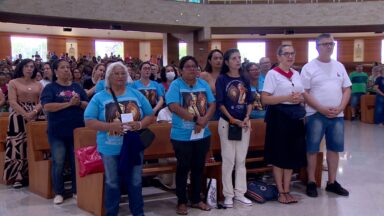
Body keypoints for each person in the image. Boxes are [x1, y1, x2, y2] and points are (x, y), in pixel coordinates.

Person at [84, 61, 154, 216]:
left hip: (133, 146)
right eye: (116, 73)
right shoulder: (99, 97)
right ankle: (112, 212)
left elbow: (150, 115)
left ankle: (138, 212)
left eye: (123, 73)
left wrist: (140, 124)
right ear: (109, 77)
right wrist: (110, 127)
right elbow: (88, 120)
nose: (120, 76)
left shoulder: (135, 94)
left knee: (135, 181)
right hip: (109, 148)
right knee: (112, 182)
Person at [301, 33, 351, 198]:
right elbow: (305, 92)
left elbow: (346, 89)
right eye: (325, 44)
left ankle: (332, 182)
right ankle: (311, 181)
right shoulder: (309, 67)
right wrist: (321, 108)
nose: (329, 46)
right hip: (316, 114)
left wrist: (341, 107)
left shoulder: (339, 66)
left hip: (337, 115)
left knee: (334, 149)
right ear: (317, 46)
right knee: (312, 149)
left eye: (331, 43)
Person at [166, 56, 215, 215]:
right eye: (188, 66)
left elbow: (212, 103)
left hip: (202, 133)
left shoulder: (203, 84)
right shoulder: (176, 85)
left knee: (198, 167)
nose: (192, 69)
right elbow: (174, 106)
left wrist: (205, 120)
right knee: (183, 167)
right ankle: (181, 201)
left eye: (194, 66)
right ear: (181, 70)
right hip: (182, 135)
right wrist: (195, 119)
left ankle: (196, 199)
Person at [261, 45, 306, 204]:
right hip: (279, 117)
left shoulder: (296, 73)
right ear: (279, 57)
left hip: (294, 116)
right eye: (286, 54)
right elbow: (265, 99)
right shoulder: (272, 74)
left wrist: (299, 98)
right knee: (280, 155)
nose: (290, 56)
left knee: (291, 155)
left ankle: (287, 190)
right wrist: (286, 97)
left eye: (292, 53)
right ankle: (280, 191)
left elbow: (301, 94)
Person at [40, 59, 88, 204]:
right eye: (62, 67)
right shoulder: (50, 88)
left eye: (68, 67)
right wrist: (69, 103)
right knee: (59, 162)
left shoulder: (77, 87)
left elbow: (87, 105)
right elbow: (47, 106)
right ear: (55, 72)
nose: (67, 70)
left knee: (76, 162)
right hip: (57, 132)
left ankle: (76, 190)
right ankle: (59, 192)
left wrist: (78, 103)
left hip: (77, 131)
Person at [215, 48, 254, 208]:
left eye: (239, 58)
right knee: (229, 160)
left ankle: (240, 193)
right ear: (227, 62)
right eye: (233, 58)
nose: (237, 60)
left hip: (244, 123)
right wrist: (232, 119)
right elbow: (220, 103)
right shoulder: (222, 79)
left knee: (241, 160)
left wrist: (246, 117)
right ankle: (228, 195)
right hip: (227, 123)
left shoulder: (245, 78)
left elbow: (250, 100)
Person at [3, 59, 43, 188]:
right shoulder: (13, 82)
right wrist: (26, 114)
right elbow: (12, 101)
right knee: (18, 146)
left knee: (31, 145)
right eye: (26, 66)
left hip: (35, 115)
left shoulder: (38, 84)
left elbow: (42, 101)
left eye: (32, 67)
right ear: (21, 68)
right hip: (18, 116)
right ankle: (17, 176)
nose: (29, 69)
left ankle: (32, 174)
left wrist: (34, 111)